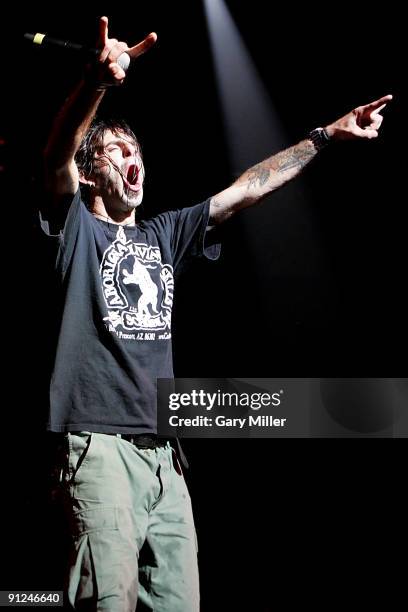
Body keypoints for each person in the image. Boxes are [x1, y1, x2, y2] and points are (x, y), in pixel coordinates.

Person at [41, 15, 392, 612]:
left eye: (138, 151)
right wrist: (94, 86)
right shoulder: (75, 229)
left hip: (167, 463)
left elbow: (248, 188)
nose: (133, 158)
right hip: (100, 448)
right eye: (115, 149)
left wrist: (328, 135)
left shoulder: (166, 235)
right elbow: (56, 156)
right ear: (93, 170)